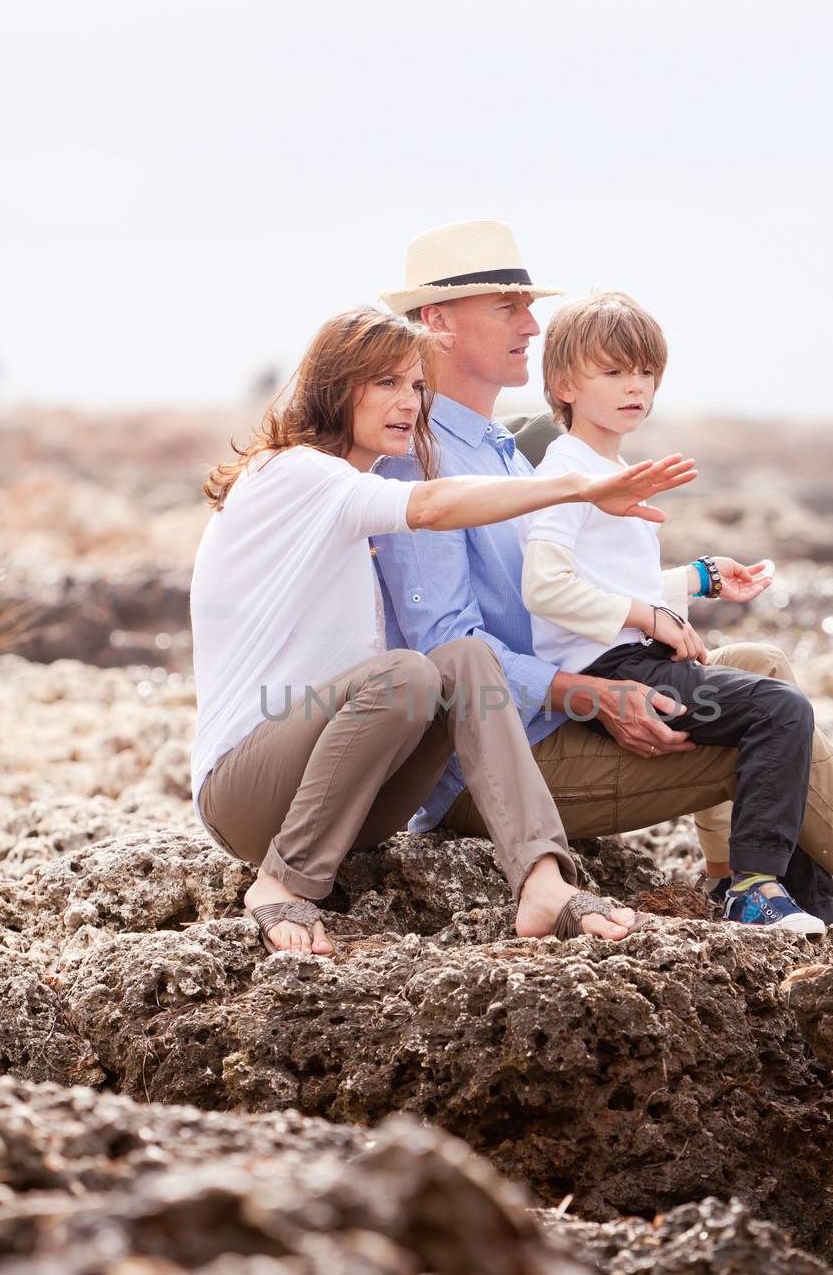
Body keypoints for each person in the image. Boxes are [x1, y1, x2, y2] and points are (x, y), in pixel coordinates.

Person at [371, 218, 833, 925]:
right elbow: (447, 654)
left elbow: (572, 583)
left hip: (557, 714)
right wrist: (590, 695)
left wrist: (696, 583)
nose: (531, 323)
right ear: (435, 321)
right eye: (508, 306)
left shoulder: (505, 449)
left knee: (759, 665)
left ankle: (752, 890)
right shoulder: (421, 464)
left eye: (528, 304)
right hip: (497, 766)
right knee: (776, 725)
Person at [190, 306, 694, 957]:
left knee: (460, 656)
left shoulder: (354, 493)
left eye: (417, 386)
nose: (409, 404)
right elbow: (431, 506)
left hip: (355, 802)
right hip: (245, 794)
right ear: (334, 385)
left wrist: (683, 588)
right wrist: (576, 487)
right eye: (386, 384)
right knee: (406, 672)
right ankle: (279, 884)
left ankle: (541, 880)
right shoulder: (295, 473)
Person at [521, 289, 828, 934]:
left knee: (776, 711)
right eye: (614, 371)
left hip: (638, 654)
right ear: (562, 383)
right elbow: (544, 588)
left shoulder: (608, 464)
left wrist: (702, 578)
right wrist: (650, 617)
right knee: (781, 709)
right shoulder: (567, 472)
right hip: (615, 671)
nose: (636, 387)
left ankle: (806, 909)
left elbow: (610, 575)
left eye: (646, 372)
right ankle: (748, 886)